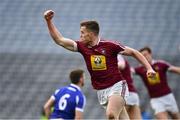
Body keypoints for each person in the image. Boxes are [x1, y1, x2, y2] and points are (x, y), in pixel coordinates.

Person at [43, 10, 156, 119]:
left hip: (117, 86)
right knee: (122, 117)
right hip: (101, 90)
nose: (80, 35)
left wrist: (149, 68)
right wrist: (49, 21)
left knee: (111, 115)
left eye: (82, 32)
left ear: (91, 34)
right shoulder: (82, 47)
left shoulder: (110, 45)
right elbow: (59, 40)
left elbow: (133, 52)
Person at [132, 46, 180, 119]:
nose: (144, 57)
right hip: (156, 100)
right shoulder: (140, 69)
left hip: (168, 96)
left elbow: (175, 69)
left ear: (150, 54)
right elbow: (128, 70)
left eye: (146, 54)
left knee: (176, 118)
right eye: (142, 56)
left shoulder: (161, 64)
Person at [117, 54, 142, 119]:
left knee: (117, 117)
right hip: (133, 94)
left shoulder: (119, 59)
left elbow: (121, 65)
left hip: (124, 94)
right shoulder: (126, 62)